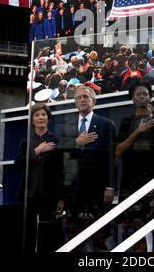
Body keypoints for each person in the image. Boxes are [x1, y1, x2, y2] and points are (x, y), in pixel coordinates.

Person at [59, 85, 116, 215]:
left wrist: (110, 186)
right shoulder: (68, 126)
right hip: (73, 188)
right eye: (79, 97)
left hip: (98, 187)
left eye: (86, 97)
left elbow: (111, 157)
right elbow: (62, 155)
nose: (82, 100)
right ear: (75, 103)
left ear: (93, 101)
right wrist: (76, 142)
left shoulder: (106, 124)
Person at [14, 103, 64, 252]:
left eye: (43, 115)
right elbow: (18, 164)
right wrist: (37, 150)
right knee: (26, 234)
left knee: (47, 234)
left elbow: (61, 171)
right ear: (32, 120)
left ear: (48, 119)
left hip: (49, 195)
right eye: (37, 115)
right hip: (27, 194)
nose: (40, 117)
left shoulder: (56, 140)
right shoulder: (26, 141)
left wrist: (61, 197)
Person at [116, 80, 154, 200]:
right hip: (130, 178)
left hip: (153, 176)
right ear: (133, 98)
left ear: (150, 97)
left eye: (145, 94)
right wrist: (138, 131)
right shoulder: (126, 122)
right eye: (138, 94)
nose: (142, 96)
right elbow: (118, 150)